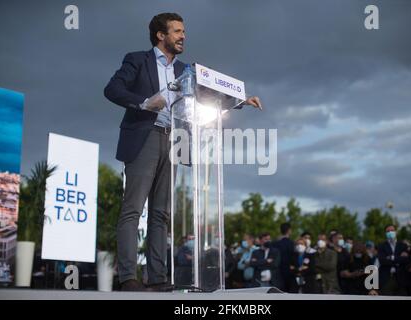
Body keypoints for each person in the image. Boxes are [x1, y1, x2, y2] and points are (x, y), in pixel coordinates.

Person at [104, 12, 262, 291]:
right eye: (177, 31)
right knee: (133, 210)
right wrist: (143, 102)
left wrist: (240, 102)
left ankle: (156, 279)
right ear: (160, 35)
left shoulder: (186, 70)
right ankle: (129, 277)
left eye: (183, 31)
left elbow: (209, 96)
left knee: (161, 214)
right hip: (144, 137)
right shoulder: (137, 60)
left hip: (174, 140)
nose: (183, 36)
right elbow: (113, 89)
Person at [377, 225, 411, 296]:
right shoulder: (381, 246)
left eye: (392, 230)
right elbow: (382, 261)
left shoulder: (403, 245)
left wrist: (391, 257)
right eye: (388, 231)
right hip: (386, 279)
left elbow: (406, 260)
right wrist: (399, 259)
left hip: (401, 279)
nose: (390, 232)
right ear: (385, 233)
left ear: (396, 232)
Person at [272, 223, 295, 292]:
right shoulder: (291, 243)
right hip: (289, 272)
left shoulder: (275, 243)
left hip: (277, 272)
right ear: (289, 230)